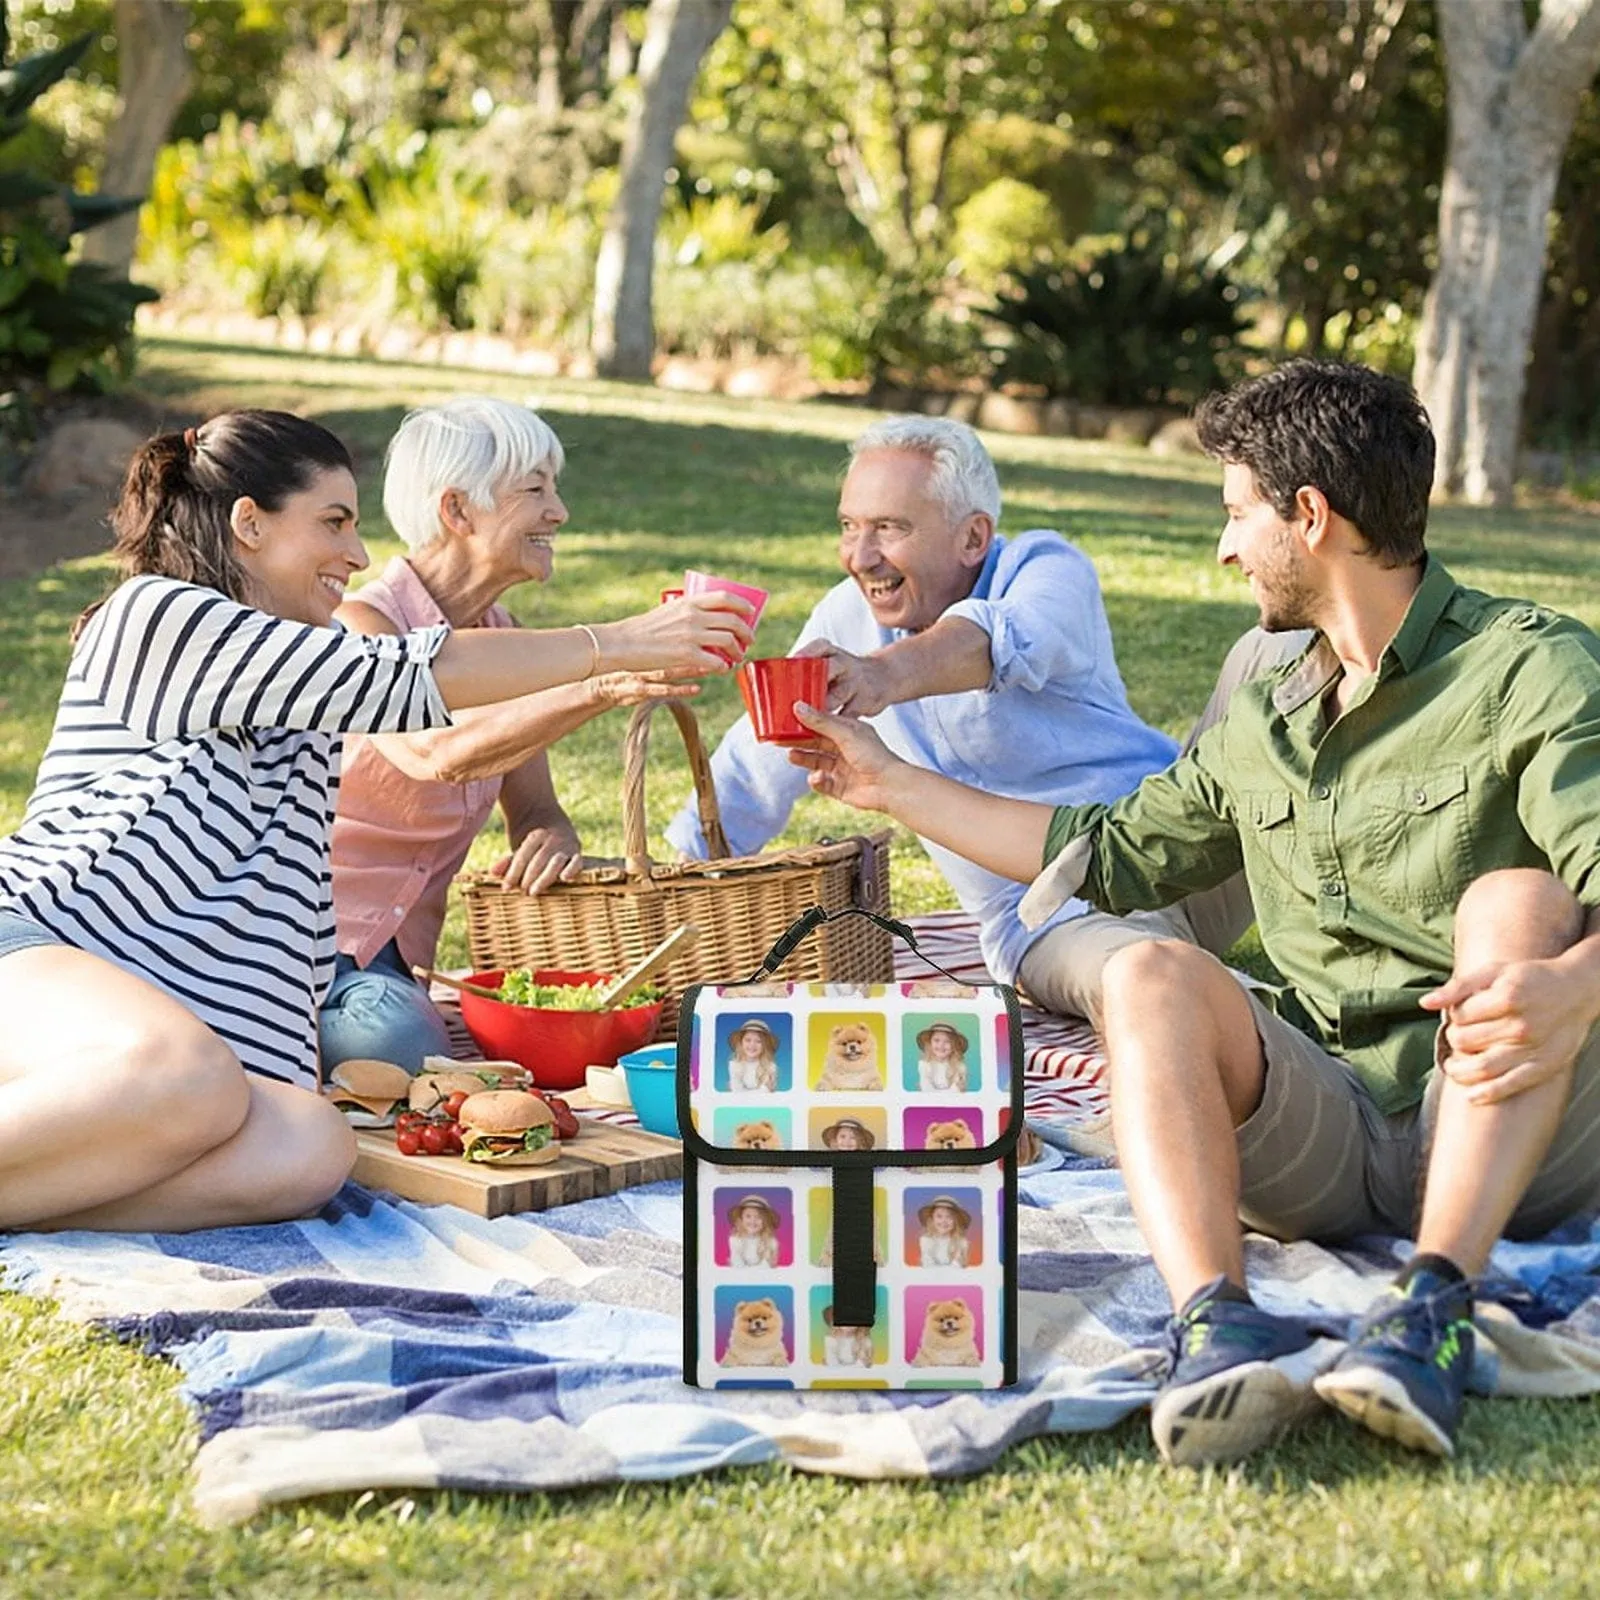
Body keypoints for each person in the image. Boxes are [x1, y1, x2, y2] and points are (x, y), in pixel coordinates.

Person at [784, 361, 1600, 1467]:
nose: (1222, 548)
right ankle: (1217, 1326)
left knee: (1519, 900)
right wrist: (882, 779)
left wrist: (1572, 983)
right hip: (1335, 1130)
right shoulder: (1267, 711)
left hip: (1518, 1122)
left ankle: (1430, 1310)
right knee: (1145, 974)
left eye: (1234, 515)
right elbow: (1104, 850)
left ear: (1309, 517)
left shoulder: (1528, 666)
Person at [0, 410, 751, 1233]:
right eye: (333, 523)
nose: (357, 555)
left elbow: (288, 926)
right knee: (192, 1075)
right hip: (40, 954)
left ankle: (40, 1193)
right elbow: (397, 678)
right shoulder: (158, 616)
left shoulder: (303, 709)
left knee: (309, 1144)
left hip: (165, 1042)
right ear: (249, 523)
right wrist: (618, 643)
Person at [664, 415, 1296, 1020]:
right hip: (1053, 916)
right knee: (1152, 984)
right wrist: (676, 876)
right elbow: (757, 759)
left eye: (889, 527)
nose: (861, 555)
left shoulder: (1047, 570)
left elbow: (998, 638)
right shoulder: (844, 618)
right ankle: (1298, 1030)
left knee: (1282, 646)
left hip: (1182, 845)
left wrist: (882, 674)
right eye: (849, 525)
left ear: (973, 537)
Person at [322, 397, 698, 1074]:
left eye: (555, 489)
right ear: (458, 511)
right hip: (316, 943)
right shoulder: (361, 627)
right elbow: (435, 751)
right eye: (535, 490)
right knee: (398, 1053)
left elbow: (534, 809)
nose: (559, 512)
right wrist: (602, 681)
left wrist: (550, 837)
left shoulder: (505, 636)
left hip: (402, 960)